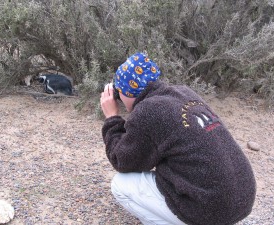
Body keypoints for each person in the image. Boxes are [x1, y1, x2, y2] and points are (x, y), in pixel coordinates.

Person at [100, 52, 256, 225]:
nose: (119, 97)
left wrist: (112, 118)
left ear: (128, 92)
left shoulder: (149, 110)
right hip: (243, 197)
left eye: (119, 92)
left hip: (212, 209)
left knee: (121, 185)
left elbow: (122, 160)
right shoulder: (184, 92)